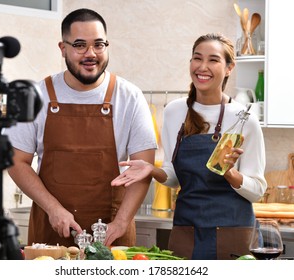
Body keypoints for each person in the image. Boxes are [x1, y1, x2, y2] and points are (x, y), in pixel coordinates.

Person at [6, 8, 157, 247]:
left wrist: (121, 223)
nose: (91, 54)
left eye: (99, 45)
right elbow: (16, 161)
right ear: (62, 48)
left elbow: (142, 170)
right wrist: (53, 209)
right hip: (51, 232)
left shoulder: (130, 96)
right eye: (79, 45)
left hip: (112, 234)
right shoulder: (36, 95)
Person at [111, 33, 267, 259]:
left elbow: (258, 191)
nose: (203, 66)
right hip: (186, 231)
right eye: (197, 58)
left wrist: (231, 174)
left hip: (234, 231)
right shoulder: (175, 111)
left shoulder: (243, 118)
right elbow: (174, 177)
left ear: (229, 68)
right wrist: (152, 170)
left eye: (213, 60)